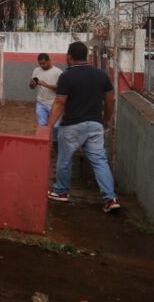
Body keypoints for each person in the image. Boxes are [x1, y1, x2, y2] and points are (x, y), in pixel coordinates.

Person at [47, 41, 120, 213]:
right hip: (95, 124)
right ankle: (111, 199)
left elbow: (59, 102)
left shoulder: (66, 76)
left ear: (69, 57)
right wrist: (106, 120)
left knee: (64, 159)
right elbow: (110, 100)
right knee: (100, 161)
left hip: (72, 125)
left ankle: (61, 191)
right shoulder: (101, 75)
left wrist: (48, 126)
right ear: (86, 56)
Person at [30, 53, 62, 142]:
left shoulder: (58, 72)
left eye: (44, 63)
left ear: (49, 61)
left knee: (56, 126)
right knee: (42, 125)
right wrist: (32, 84)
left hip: (54, 103)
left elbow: (60, 88)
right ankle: (43, 145)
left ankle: (55, 143)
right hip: (40, 102)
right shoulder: (36, 70)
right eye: (40, 64)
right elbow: (32, 87)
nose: (42, 66)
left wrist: (47, 85)